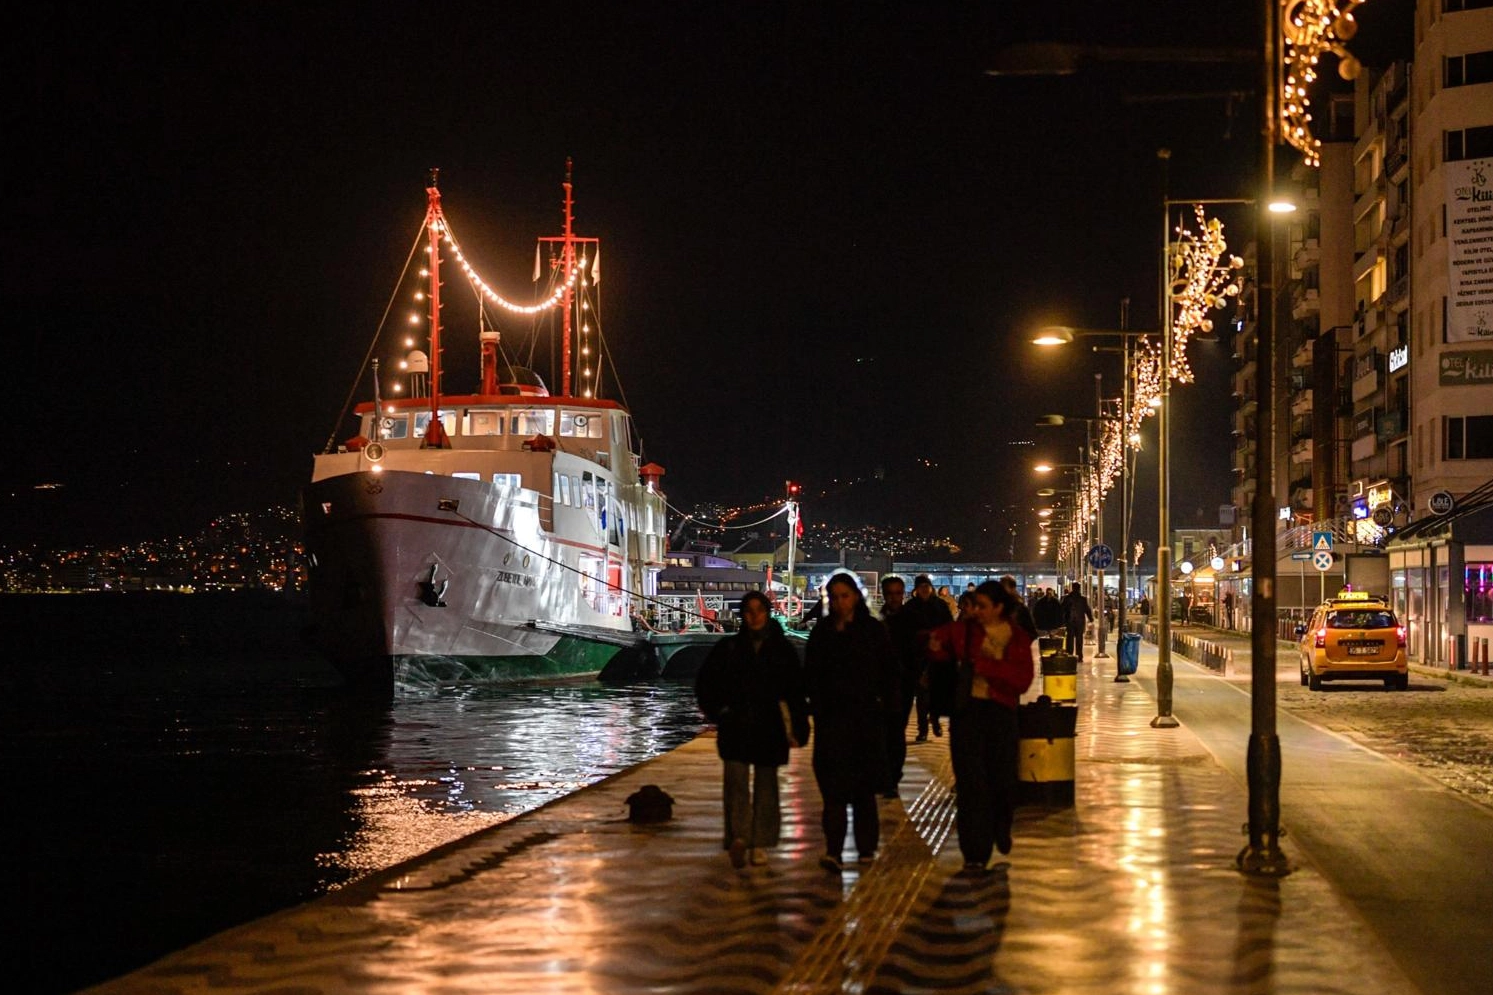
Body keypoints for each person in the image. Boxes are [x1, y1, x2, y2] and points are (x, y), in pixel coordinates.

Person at [926, 580, 1036, 871]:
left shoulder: (1016, 637)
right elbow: (936, 642)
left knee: (1001, 780)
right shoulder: (964, 630)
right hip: (968, 713)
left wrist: (986, 667)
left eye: (983, 606)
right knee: (971, 784)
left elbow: (1021, 681)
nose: (976, 611)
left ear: (999, 608)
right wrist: (935, 648)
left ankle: (1001, 825)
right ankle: (974, 852)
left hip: (1001, 713)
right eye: (974, 606)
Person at [695, 591, 809, 869]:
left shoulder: (782, 650)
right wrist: (719, 712)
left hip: (768, 725)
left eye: (759, 610)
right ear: (743, 615)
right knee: (736, 783)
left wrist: (798, 726)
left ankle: (759, 841)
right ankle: (740, 837)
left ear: (768, 613)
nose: (755, 616)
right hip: (736, 723)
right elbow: (706, 684)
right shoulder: (728, 648)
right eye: (749, 611)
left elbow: (795, 692)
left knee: (766, 785)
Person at [803, 572, 898, 871]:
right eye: (835, 597)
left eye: (845, 596)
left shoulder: (872, 631)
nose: (841, 602)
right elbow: (812, 674)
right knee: (832, 791)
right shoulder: (822, 633)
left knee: (863, 791)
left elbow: (888, 672)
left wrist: (886, 709)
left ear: (856, 596)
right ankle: (834, 850)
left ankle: (866, 848)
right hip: (832, 721)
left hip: (865, 720)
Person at [1059, 582, 1093, 660]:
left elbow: (1062, 609)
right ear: (1079, 588)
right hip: (1080, 622)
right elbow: (1087, 609)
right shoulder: (1082, 599)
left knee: (1070, 638)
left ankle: (1069, 654)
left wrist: (1061, 620)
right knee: (1079, 638)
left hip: (1069, 621)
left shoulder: (1067, 598)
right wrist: (1090, 618)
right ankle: (1079, 655)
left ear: (1072, 588)